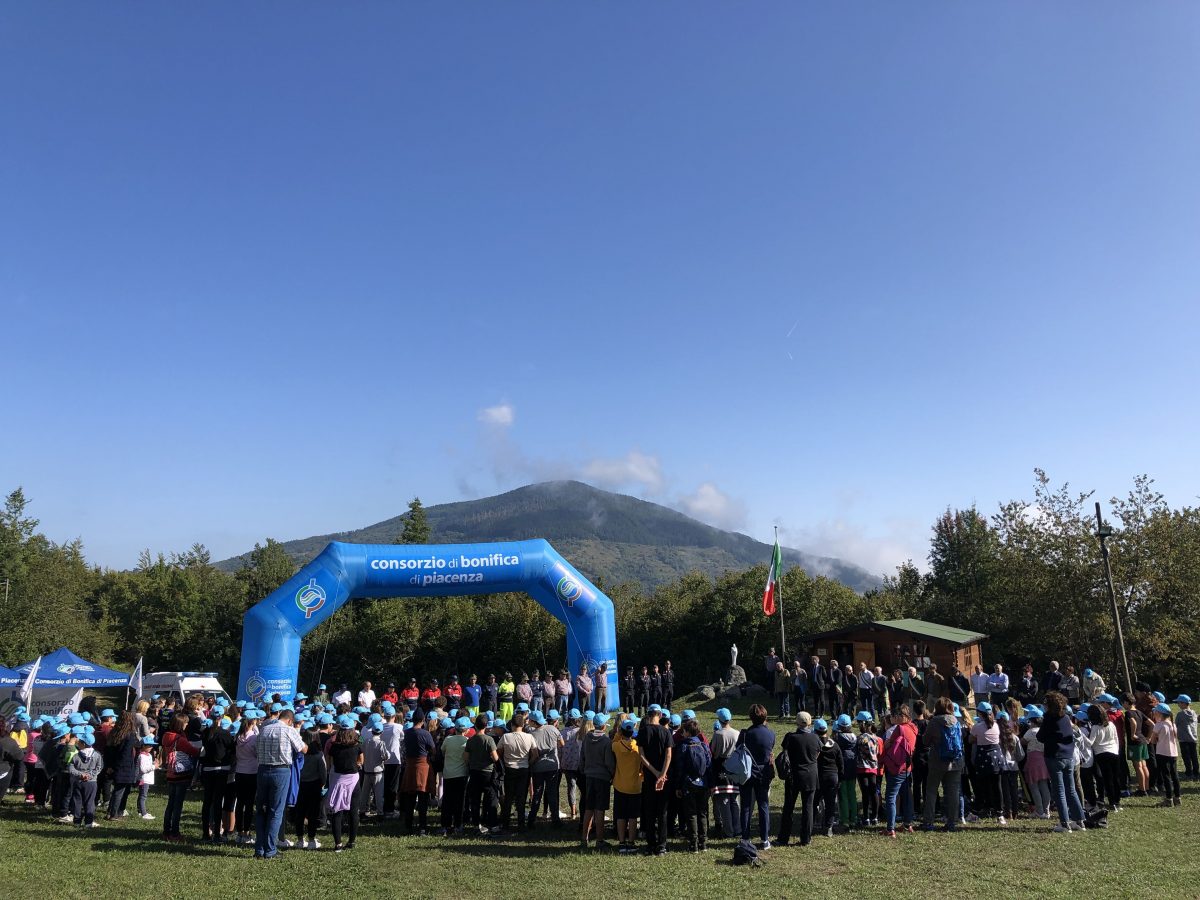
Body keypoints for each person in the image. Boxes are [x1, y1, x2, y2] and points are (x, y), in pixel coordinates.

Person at [253, 708, 306, 858]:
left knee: (261, 810)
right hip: (281, 771)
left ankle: (259, 849)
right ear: (290, 720)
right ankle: (270, 850)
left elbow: (256, 750)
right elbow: (303, 749)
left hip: (262, 770)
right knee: (276, 811)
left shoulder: (264, 729)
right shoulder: (289, 730)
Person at [1037, 691, 1085, 832]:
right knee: (1071, 789)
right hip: (1068, 756)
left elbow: (1040, 736)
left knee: (1059, 791)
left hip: (1054, 757)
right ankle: (1079, 820)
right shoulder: (1065, 718)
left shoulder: (1049, 720)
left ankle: (1065, 823)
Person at [775, 711, 819, 846]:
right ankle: (806, 838)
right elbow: (817, 753)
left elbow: (784, 752)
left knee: (789, 807)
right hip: (810, 775)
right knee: (808, 807)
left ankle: (783, 837)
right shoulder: (815, 738)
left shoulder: (791, 737)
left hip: (793, 775)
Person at [921, 698, 963, 831]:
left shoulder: (934, 722)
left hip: (937, 761)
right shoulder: (957, 721)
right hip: (956, 761)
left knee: (932, 791)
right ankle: (952, 822)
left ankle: (928, 821)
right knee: (953, 792)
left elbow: (925, 741)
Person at [738, 703, 776, 850]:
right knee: (763, 805)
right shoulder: (771, 734)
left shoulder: (745, 734)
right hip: (763, 772)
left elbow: (738, 750)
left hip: (747, 772)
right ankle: (765, 839)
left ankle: (745, 837)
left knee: (746, 806)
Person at [636, 708, 672, 855]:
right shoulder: (665, 732)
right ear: (660, 716)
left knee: (650, 811)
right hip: (664, 778)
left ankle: (651, 844)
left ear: (648, 716)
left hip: (650, 777)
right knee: (662, 812)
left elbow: (641, 756)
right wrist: (662, 774)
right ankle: (662, 845)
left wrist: (655, 772)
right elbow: (668, 755)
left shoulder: (643, 732)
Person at [672, 717, 711, 853]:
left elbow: (679, 768)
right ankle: (703, 842)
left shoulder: (683, 746)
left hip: (688, 783)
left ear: (688, 732)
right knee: (702, 812)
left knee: (691, 814)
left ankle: (693, 843)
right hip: (703, 782)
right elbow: (709, 765)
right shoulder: (703, 745)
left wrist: (677, 786)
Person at [161, 712, 201, 842]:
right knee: (178, 805)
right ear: (180, 724)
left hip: (170, 773)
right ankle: (175, 832)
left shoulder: (166, 736)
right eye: (185, 722)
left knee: (170, 804)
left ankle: (166, 830)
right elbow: (193, 751)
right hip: (181, 774)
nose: (187, 724)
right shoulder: (180, 740)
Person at [325, 720, 363, 852]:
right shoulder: (357, 745)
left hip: (338, 779)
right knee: (354, 811)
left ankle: (338, 844)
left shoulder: (334, 746)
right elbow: (361, 761)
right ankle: (352, 841)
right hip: (353, 780)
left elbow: (330, 763)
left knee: (337, 811)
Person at [497, 711, 538, 832]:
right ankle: (521, 824)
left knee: (508, 797)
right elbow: (535, 754)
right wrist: (528, 763)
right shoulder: (529, 737)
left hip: (509, 769)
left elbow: (498, 752)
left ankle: (505, 824)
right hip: (523, 769)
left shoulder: (506, 737)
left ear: (511, 725)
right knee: (521, 798)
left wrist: (503, 762)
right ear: (523, 725)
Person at [580, 712, 615, 850]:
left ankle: (584, 838)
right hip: (602, 778)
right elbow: (609, 763)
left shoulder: (586, 738)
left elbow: (582, 757)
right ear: (603, 726)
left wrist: (583, 770)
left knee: (589, 808)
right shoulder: (607, 742)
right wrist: (612, 774)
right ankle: (600, 840)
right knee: (600, 810)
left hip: (589, 776)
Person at [881, 705, 917, 837]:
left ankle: (891, 828)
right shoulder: (913, 728)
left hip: (895, 767)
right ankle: (907, 824)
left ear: (903, 716)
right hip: (907, 766)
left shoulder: (899, 729)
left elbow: (888, 744)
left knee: (890, 796)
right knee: (906, 795)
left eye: (896, 715)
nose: (894, 718)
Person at [200, 718, 237, 843]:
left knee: (207, 801)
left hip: (207, 769)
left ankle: (205, 833)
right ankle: (216, 834)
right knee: (217, 802)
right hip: (221, 769)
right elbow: (232, 749)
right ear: (221, 718)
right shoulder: (224, 734)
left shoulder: (206, 733)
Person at [400, 710, 435, 835]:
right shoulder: (426, 734)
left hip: (410, 766)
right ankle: (422, 827)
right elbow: (433, 750)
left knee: (410, 798)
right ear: (422, 720)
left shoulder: (406, 733)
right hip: (423, 766)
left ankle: (408, 826)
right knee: (423, 799)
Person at [611, 716, 642, 853]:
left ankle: (622, 841)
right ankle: (631, 841)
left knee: (621, 815)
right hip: (635, 786)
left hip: (620, 785)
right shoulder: (637, 748)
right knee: (633, 816)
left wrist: (619, 732)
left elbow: (615, 739)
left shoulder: (616, 746)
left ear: (622, 732)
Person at [465, 713, 500, 834]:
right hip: (487, 772)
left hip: (474, 772)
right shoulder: (489, 739)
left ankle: (476, 824)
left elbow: (466, 758)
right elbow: (495, 758)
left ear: (475, 726)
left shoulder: (471, 740)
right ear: (486, 726)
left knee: (475, 799)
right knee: (491, 798)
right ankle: (493, 823)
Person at [967, 702, 1002, 823]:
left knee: (982, 785)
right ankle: (999, 813)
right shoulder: (996, 725)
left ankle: (980, 809)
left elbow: (971, 739)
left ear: (980, 713)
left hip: (983, 756)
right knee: (996, 786)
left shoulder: (978, 726)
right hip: (996, 757)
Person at [528, 710, 563, 829]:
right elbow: (562, 743)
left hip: (538, 767)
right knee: (552, 792)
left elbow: (534, 753)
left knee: (537, 793)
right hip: (553, 766)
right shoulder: (553, 729)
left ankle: (531, 819)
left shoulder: (532, 734)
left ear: (533, 722)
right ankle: (555, 819)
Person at [102, 711, 140, 821]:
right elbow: (127, 753)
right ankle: (114, 814)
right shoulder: (129, 735)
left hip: (114, 764)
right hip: (125, 766)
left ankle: (111, 812)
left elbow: (108, 750)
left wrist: (110, 765)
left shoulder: (115, 732)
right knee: (120, 791)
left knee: (117, 790)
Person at [709, 707, 740, 838]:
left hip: (721, 767)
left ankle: (728, 831)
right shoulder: (737, 733)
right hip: (734, 767)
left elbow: (713, 752)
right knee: (735, 800)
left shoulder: (718, 734)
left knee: (724, 801)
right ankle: (738, 828)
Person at [293, 725, 325, 849]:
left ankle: (300, 839)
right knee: (313, 813)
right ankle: (311, 839)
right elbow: (322, 773)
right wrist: (322, 784)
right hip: (314, 785)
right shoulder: (318, 755)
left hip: (300, 785)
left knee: (300, 813)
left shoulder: (300, 754)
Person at [1086, 704, 1122, 811]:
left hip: (1102, 753)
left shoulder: (1095, 727)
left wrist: (1081, 736)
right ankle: (1117, 801)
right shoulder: (1111, 724)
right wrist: (1116, 750)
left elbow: (1090, 743)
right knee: (1116, 778)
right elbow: (1116, 738)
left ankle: (1111, 803)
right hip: (1114, 751)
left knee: (1107, 779)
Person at [233, 711, 260, 845]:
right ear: (252, 722)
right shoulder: (254, 738)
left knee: (240, 803)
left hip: (240, 771)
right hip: (251, 772)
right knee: (249, 804)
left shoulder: (238, 737)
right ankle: (247, 832)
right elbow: (257, 753)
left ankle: (239, 832)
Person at [1022, 705, 1051, 818]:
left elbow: (1022, 742)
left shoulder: (1031, 732)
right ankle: (1046, 810)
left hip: (1033, 760)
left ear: (1032, 720)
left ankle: (1039, 811)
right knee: (1044, 785)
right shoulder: (1045, 730)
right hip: (1044, 759)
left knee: (1034, 786)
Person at [1150, 702, 1181, 807]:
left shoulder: (1158, 725)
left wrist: (1157, 739)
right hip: (1173, 753)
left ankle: (1169, 799)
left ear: (1159, 713)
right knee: (1174, 775)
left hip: (1162, 753)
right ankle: (1177, 797)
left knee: (1166, 776)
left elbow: (1153, 740)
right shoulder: (1173, 724)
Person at [69, 732, 103, 827]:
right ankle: (88, 822)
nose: (78, 742)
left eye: (79, 742)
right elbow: (99, 768)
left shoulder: (76, 755)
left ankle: (77, 821)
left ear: (83, 744)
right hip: (91, 782)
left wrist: (81, 774)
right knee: (90, 802)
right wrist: (90, 775)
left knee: (77, 801)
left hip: (78, 781)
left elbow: (71, 768)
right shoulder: (97, 755)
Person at [359, 721, 390, 819]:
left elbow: (361, 749)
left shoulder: (366, 741)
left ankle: (362, 811)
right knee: (379, 794)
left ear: (372, 731)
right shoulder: (381, 743)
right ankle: (380, 813)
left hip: (367, 771)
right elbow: (385, 756)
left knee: (365, 794)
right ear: (381, 732)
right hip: (378, 772)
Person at [1175, 695, 1197, 780]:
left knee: (1186, 756)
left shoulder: (1180, 714)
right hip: (1193, 739)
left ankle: (1188, 772)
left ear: (1183, 703)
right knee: (1193, 756)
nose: (1178, 704)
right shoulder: (1194, 713)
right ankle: (1196, 772)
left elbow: (1175, 724)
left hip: (1184, 739)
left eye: (1179, 702)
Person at [135, 735, 156, 819]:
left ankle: (140, 811)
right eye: (149, 745)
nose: (151, 747)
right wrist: (154, 767)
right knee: (143, 796)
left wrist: (153, 764)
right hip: (144, 779)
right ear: (143, 746)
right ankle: (144, 813)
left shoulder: (149, 755)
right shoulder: (142, 756)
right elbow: (143, 769)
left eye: (152, 745)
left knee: (142, 795)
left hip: (147, 778)